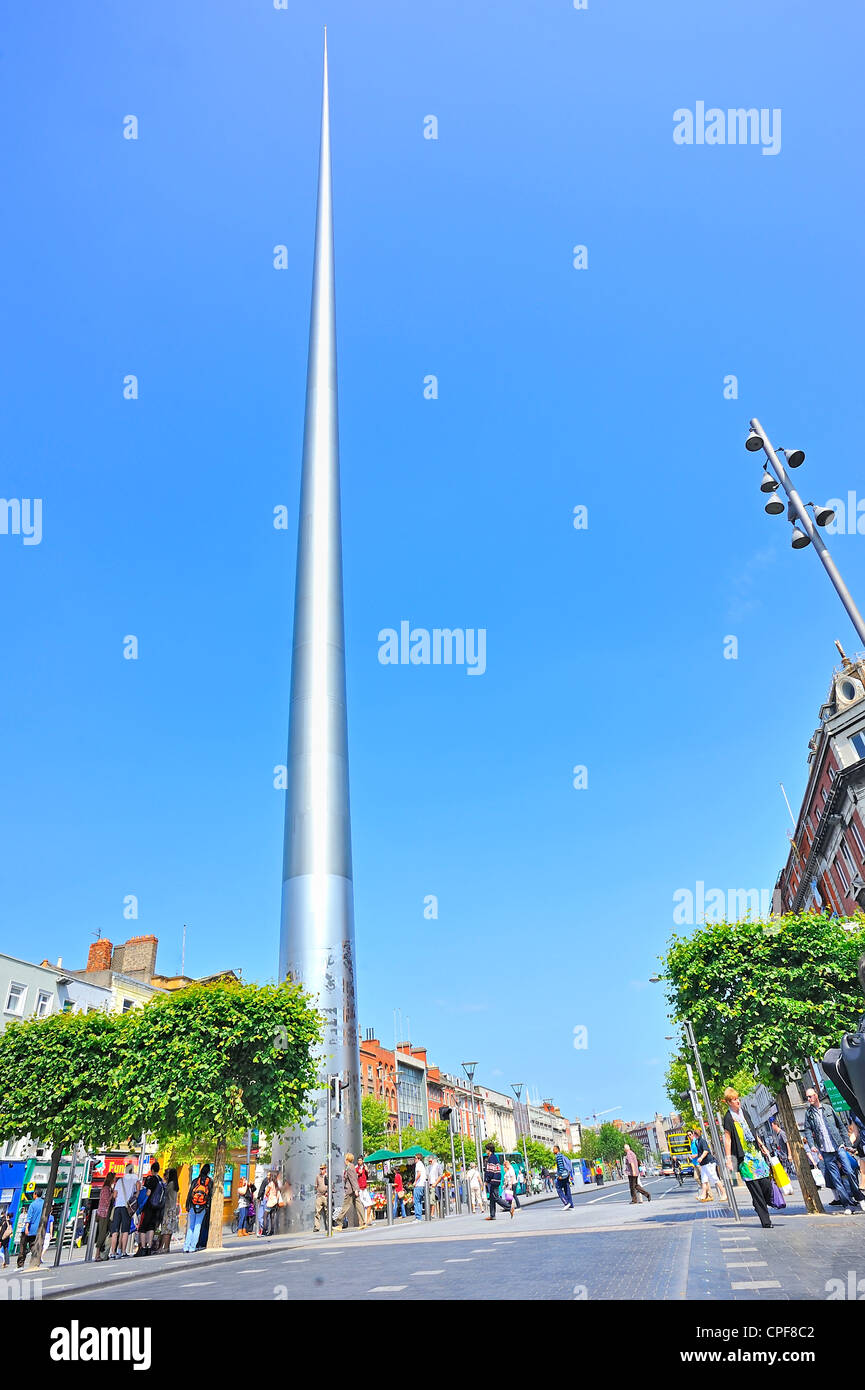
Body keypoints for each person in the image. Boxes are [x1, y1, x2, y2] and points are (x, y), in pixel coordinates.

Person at [803, 1086, 864, 1214]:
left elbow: (841, 1126)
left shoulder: (828, 1108)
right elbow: (808, 1130)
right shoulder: (809, 1114)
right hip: (825, 1150)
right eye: (807, 1097)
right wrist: (812, 1144)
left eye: (810, 1096)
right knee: (836, 1179)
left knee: (849, 1170)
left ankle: (859, 1197)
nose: (809, 1099)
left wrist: (847, 1145)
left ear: (816, 1095)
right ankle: (847, 1205)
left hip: (838, 1146)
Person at [722, 1087, 774, 1229]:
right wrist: (729, 1159)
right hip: (744, 1157)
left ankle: (758, 1204)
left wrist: (762, 1145)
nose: (737, 1101)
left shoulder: (744, 1113)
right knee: (756, 1190)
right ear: (728, 1102)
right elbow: (728, 1140)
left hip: (755, 1153)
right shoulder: (728, 1118)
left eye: (737, 1098)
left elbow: (753, 1131)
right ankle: (766, 1221)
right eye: (734, 1100)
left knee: (766, 1184)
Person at [133, 1161, 165, 1256]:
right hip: (157, 1207)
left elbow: (148, 1192)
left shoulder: (150, 1179)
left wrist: (143, 1201)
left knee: (142, 1227)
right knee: (151, 1227)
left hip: (148, 1206)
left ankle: (142, 1248)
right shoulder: (160, 1180)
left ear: (152, 1170)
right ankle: (149, 1247)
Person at [108, 1163, 139, 1260]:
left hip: (118, 1207)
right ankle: (123, 1251)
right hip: (126, 1207)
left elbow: (114, 1195)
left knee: (115, 1231)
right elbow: (138, 1186)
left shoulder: (119, 1181)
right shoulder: (134, 1180)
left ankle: (112, 1252)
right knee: (125, 1230)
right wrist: (136, 1193)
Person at [183, 1163, 213, 1252]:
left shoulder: (195, 1181)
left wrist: (187, 1205)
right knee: (198, 1226)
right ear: (208, 1172)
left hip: (192, 1205)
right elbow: (210, 1196)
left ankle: (186, 1246)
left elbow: (190, 1194)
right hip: (202, 1207)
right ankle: (193, 1247)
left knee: (191, 1226)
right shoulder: (209, 1182)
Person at [691, 1130, 724, 1202]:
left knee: (714, 1178)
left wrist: (701, 1158)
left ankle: (724, 1193)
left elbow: (706, 1150)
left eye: (693, 1134)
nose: (692, 1136)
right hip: (703, 1164)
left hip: (709, 1163)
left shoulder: (702, 1141)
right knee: (704, 1180)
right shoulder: (697, 1142)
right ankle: (703, 1195)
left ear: (696, 1134)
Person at [483, 1144, 513, 1221]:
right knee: (492, 1198)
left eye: (486, 1149)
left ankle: (509, 1207)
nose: (486, 1151)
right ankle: (492, 1215)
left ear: (489, 1150)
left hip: (493, 1180)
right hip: (496, 1180)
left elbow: (490, 1171)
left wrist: (487, 1180)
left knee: (495, 1197)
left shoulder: (491, 1158)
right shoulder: (495, 1157)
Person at [16, 1190, 45, 1269]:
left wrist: (26, 1228)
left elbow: (29, 1217)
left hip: (29, 1229)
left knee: (23, 1247)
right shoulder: (44, 1203)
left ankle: (20, 1265)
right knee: (33, 1246)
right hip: (37, 1230)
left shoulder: (33, 1204)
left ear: (35, 1194)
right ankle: (35, 1262)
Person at [337, 1153, 365, 1230]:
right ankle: (362, 1222)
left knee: (345, 1206)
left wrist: (356, 1189)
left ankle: (339, 1223)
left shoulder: (349, 1167)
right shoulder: (351, 1167)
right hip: (353, 1190)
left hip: (350, 1191)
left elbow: (353, 1179)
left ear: (347, 1159)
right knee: (359, 1205)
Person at [93, 1173, 116, 1262]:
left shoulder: (108, 1188)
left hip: (105, 1213)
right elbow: (106, 1201)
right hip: (104, 1214)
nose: (114, 1180)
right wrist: (113, 1194)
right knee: (102, 1233)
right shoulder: (106, 1189)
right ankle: (97, 1254)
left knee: (105, 1232)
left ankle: (102, 1253)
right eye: (114, 1178)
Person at [157, 1168, 180, 1253]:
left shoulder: (170, 1184)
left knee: (166, 1230)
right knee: (169, 1231)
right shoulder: (175, 1184)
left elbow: (164, 1195)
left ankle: (164, 1248)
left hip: (168, 1209)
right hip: (173, 1209)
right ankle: (167, 1247)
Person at [553, 1145, 575, 1209]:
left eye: (554, 1149)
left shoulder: (558, 1156)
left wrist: (559, 1175)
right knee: (567, 1189)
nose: (553, 1151)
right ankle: (571, 1205)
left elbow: (561, 1167)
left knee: (558, 1188)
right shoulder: (562, 1155)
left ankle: (566, 1202)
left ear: (557, 1150)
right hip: (566, 1174)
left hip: (562, 1175)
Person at [356, 1159, 374, 1228]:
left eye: (361, 1160)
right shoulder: (356, 1168)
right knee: (361, 1205)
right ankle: (362, 1221)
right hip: (359, 1189)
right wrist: (358, 1173)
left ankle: (367, 1220)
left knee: (369, 1204)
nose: (359, 1161)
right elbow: (354, 1177)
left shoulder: (364, 1167)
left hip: (364, 1188)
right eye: (358, 1160)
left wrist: (367, 1171)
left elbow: (367, 1177)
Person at [263, 1172, 281, 1236]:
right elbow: (278, 1194)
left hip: (270, 1202)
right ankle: (272, 1231)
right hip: (275, 1201)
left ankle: (264, 1231)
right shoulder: (277, 1184)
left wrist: (268, 1195)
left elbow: (266, 1192)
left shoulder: (270, 1184)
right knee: (272, 1217)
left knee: (265, 1216)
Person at [313, 1165, 329, 1232]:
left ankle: (328, 1226)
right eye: (321, 1169)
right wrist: (318, 1190)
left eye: (323, 1169)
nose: (321, 1170)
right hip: (319, 1196)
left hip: (326, 1195)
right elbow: (316, 1185)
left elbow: (330, 1185)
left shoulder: (328, 1176)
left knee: (327, 1211)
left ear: (325, 1169)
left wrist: (328, 1192)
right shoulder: (318, 1176)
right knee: (317, 1211)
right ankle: (317, 1227)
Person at [413, 1155, 428, 1221]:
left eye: (415, 1158)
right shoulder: (422, 1164)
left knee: (416, 1201)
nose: (414, 1159)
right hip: (422, 1184)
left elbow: (419, 1173)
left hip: (419, 1185)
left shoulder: (418, 1164)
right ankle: (419, 1216)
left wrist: (415, 1181)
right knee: (419, 1201)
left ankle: (418, 1217)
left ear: (418, 1159)